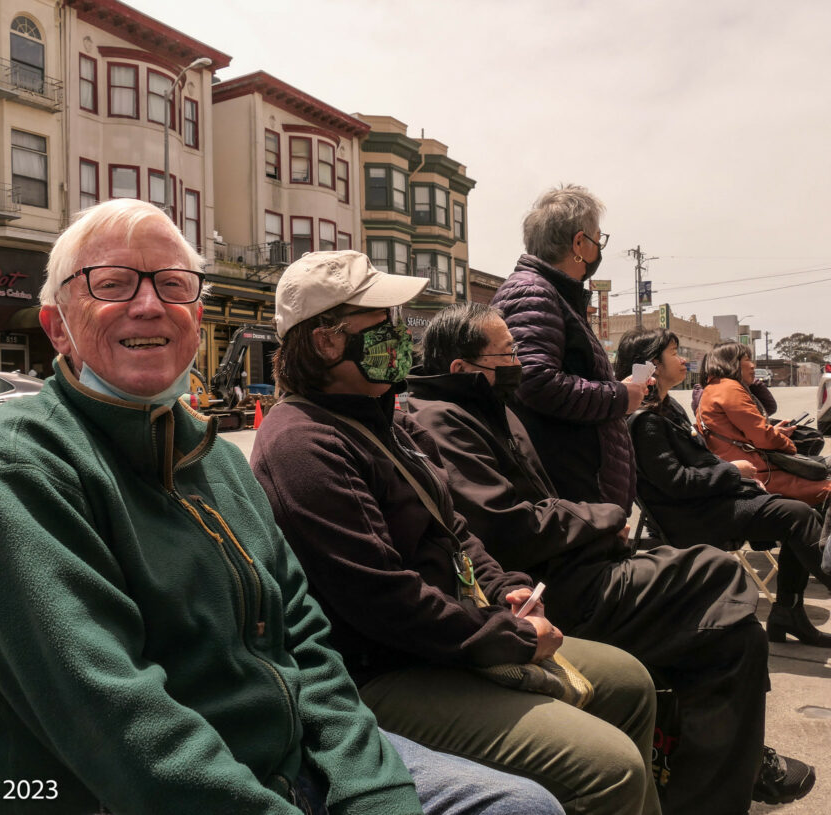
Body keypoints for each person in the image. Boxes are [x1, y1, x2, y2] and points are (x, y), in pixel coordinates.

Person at [0, 201, 564, 815]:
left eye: (173, 285)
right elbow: (122, 729)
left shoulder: (217, 459)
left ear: (198, 320)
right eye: (112, 283)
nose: (148, 305)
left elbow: (306, 647)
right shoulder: (15, 469)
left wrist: (375, 794)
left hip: (291, 763)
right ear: (58, 325)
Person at [251, 249, 663, 815]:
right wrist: (510, 636)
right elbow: (386, 602)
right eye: (382, 324)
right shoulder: (302, 443)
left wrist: (506, 589)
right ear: (326, 341)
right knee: (609, 768)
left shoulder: (386, 417)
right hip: (387, 673)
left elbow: (455, 529)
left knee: (629, 682)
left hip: (451, 638)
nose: (400, 335)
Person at [403, 303, 815, 813]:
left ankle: (729, 771)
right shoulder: (444, 420)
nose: (520, 365)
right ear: (463, 369)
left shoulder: (489, 407)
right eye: (508, 354)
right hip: (552, 585)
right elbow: (508, 525)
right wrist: (601, 517)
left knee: (738, 635)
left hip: (582, 559)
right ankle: (737, 769)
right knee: (720, 572)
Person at [616, 327, 831, 647]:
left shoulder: (668, 408)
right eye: (674, 353)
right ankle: (788, 611)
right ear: (653, 366)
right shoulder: (645, 420)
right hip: (693, 516)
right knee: (796, 514)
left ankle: (788, 612)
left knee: (797, 513)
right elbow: (676, 483)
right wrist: (734, 471)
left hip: (711, 502)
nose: (684, 359)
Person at [492, 184, 645, 512]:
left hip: (577, 486)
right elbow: (534, 381)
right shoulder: (535, 293)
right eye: (597, 239)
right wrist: (620, 396)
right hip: (570, 488)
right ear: (579, 243)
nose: (598, 249)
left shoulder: (550, 293)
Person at [696, 341, 831, 508]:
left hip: (747, 465)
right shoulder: (729, 388)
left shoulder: (714, 387)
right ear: (731, 363)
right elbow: (763, 437)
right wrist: (789, 445)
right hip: (759, 471)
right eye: (747, 360)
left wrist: (773, 431)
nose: (753, 366)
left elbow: (743, 431)